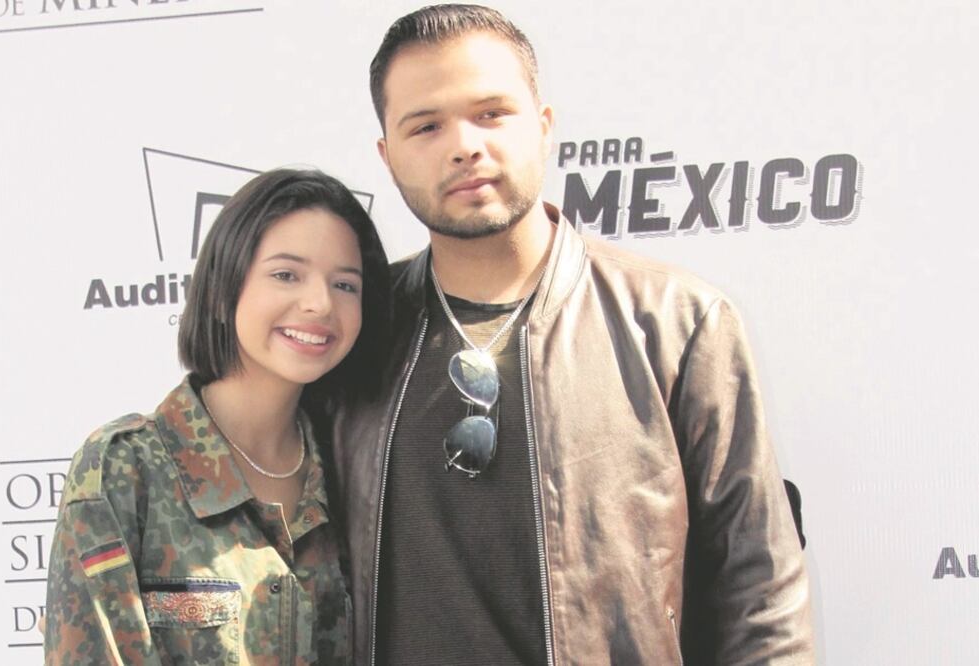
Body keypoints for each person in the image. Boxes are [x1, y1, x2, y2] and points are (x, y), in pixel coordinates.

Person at [326, 5, 815, 665]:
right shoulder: (353, 330)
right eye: (426, 126)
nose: (464, 145)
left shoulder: (676, 322)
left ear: (544, 126)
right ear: (387, 156)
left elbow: (759, 583)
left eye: (491, 113)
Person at [44, 169, 390, 665]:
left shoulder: (354, 469)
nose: (320, 303)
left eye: (345, 284)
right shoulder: (125, 470)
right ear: (223, 289)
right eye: (286, 275)